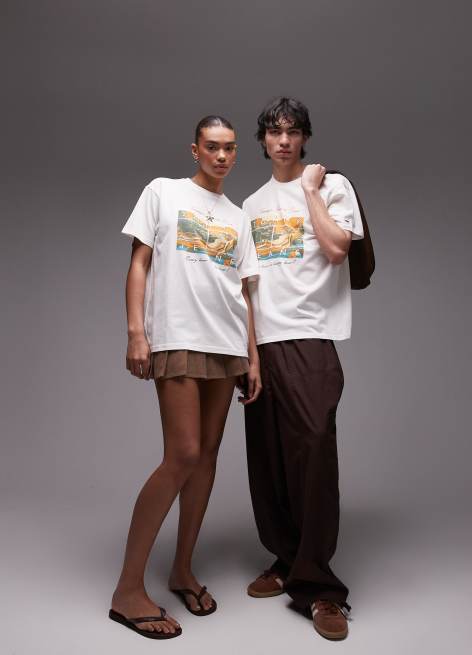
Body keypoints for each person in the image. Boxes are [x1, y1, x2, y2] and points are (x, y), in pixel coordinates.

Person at [109, 116, 261, 640]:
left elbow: (244, 292)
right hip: (176, 336)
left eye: (230, 148)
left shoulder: (239, 218)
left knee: (207, 457)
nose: (222, 156)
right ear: (195, 150)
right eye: (212, 147)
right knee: (183, 454)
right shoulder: (163, 192)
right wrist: (137, 332)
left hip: (226, 344)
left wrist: (253, 357)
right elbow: (139, 263)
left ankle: (182, 570)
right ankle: (128, 589)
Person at [242, 97, 364, 641]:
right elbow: (245, 287)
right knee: (268, 460)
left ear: (305, 138)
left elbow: (337, 250)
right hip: (261, 343)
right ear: (263, 140)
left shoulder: (332, 186)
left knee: (313, 452)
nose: (284, 140)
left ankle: (320, 588)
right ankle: (286, 559)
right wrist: (248, 354)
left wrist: (311, 192)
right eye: (275, 132)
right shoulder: (250, 205)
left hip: (310, 336)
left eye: (293, 131)